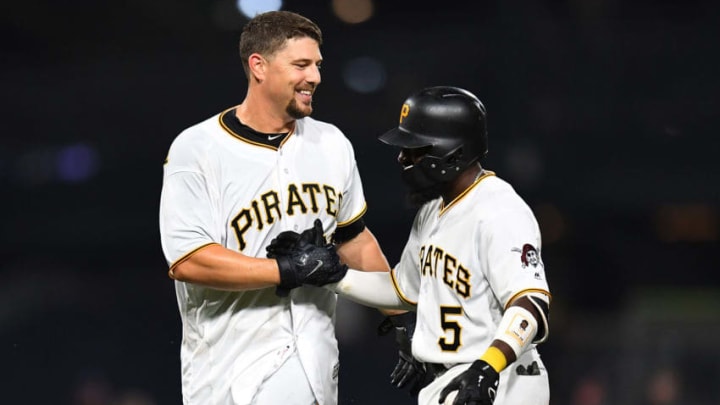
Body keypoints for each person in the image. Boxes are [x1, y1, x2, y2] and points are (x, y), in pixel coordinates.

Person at [158, 10, 390, 405]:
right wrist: (286, 270)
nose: (314, 77)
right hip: (231, 370)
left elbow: (354, 238)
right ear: (258, 66)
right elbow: (188, 260)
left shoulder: (331, 143)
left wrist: (399, 310)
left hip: (316, 364)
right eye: (300, 64)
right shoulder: (196, 148)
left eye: (317, 65)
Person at [284, 86, 552, 404]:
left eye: (415, 150)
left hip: (500, 380)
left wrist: (488, 367)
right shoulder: (432, 210)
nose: (403, 158)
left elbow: (530, 304)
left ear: (453, 153)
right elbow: (403, 290)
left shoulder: (499, 209)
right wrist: (336, 276)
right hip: (454, 381)